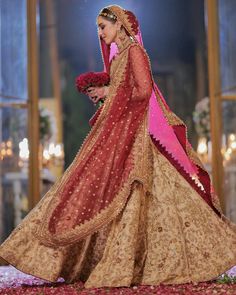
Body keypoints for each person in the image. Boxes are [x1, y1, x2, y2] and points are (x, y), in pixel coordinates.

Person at [0, 4, 236, 289]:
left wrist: (110, 94)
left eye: (103, 27)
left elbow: (143, 91)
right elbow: (124, 90)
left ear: (120, 25)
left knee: (145, 187)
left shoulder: (135, 52)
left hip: (140, 133)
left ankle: (163, 259)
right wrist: (105, 94)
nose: (100, 33)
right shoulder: (118, 57)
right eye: (98, 28)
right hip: (123, 128)